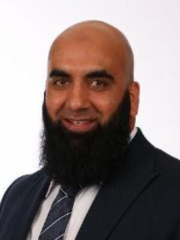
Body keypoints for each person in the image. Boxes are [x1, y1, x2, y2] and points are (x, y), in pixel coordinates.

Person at [1, 20, 180, 240]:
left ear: (132, 98)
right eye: (61, 81)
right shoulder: (17, 196)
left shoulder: (174, 193)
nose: (76, 103)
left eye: (97, 83)